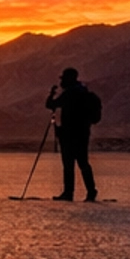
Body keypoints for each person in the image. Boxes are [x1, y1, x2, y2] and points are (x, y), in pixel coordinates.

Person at [46, 67, 99, 202]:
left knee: (69, 164)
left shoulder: (70, 93)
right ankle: (91, 192)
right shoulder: (82, 92)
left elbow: (51, 104)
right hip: (82, 134)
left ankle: (69, 193)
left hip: (70, 135)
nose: (62, 81)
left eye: (64, 78)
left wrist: (51, 94)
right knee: (83, 163)